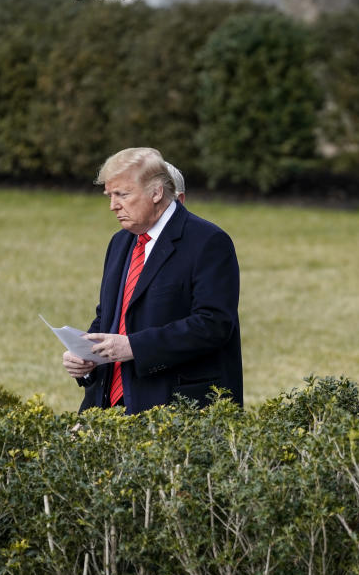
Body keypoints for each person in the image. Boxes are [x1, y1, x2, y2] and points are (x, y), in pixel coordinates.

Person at [62, 147, 243, 414]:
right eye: (110, 196)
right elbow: (110, 317)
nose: (113, 205)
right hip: (109, 406)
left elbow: (213, 325)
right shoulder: (120, 241)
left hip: (179, 411)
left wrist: (134, 346)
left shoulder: (208, 241)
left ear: (157, 192)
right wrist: (86, 358)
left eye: (122, 194)